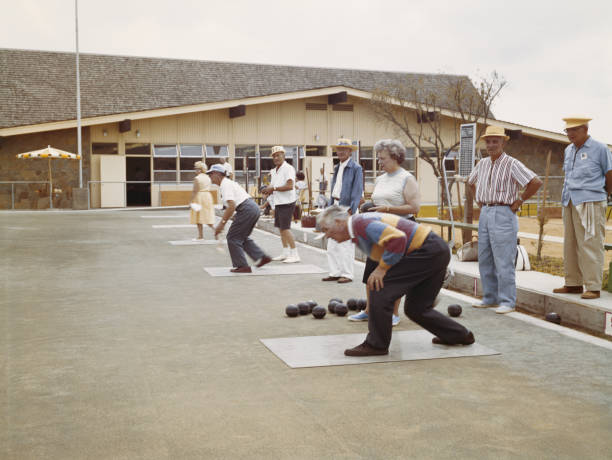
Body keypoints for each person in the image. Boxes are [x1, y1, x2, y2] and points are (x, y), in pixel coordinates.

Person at [317, 205, 475, 356]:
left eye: (327, 230)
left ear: (339, 222)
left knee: (378, 287)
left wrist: (382, 269)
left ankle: (376, 345)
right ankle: (460, 335)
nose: (328, 236)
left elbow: (398, 239)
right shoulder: (357, 228)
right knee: (416, 309)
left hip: (427, 250)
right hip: (434, 250)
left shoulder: (361, 224)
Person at [468, 125, 542, 314]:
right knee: (484, 258)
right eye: (488, 141)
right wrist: (479, 200)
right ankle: (490, 297)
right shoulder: (482, 163)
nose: (491, 145)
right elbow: (470, 182)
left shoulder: (512, 163)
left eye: (495, 141)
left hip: (503, 212)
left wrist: (520, 200)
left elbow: (535, 182)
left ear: (503, 142)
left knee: (503, 259)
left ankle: (507, 301)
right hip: (485, 211)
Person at [349, 139, 421, 326]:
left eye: (383, 159)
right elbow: (376, 202)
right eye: (378, 158)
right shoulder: (380, 178)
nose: (379, 162)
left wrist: (387, 209)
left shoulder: (407, 178)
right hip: (378, 229)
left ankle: (393, 313)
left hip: (400, 230)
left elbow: (414, 207)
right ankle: (369, 310)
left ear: (396, 157)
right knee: (371, 270)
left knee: (393, 273)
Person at [553, 117, 612, 299]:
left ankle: (593, 286)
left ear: (585, 129)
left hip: (590, 201)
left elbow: (609, 173)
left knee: (590, 243)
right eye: (567, 131)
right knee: (570, 244)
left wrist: (607, 196)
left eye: (574, 130)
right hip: (569, 200)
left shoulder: (600, 148)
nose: (570, 134)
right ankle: (573, 283)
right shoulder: (568, 150)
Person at [208, 164, 271, 273]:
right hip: (252, 208)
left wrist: (221, 224)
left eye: (211, 174)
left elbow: (231, 206)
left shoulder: (225, 185)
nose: (210, 177)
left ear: (218, 174)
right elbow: (235, 204)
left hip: (247, 209)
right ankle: (261, 256)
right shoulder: (228, 183)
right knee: (241, 236)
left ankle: (242, 266)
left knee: (232, 237)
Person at [321, 138, 363, 284]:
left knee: (345, 244)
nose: (341, 152)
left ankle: (347, 274)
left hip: (347, 207)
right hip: (335, 206)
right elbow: (334, 188)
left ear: (350, 151)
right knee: (332, 242)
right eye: (339, 149)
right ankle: (335, 272)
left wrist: (352, 209)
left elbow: (357, 191)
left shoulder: (356, 168)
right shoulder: (338, 167)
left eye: (344, 149)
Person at [263, 146, 300, 263]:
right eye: (274, 156)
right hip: (278, 202)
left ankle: (295, 254)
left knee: (285, 228)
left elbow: (290, 186)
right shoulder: (274, 171)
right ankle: (285, 252)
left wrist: (273, 188)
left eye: (278, 155)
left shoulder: (288, 168)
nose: (276, 158)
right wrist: (268, 196)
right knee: (280, 228)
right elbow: (272, 188)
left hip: (287, 202)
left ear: (284, 156)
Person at [189, 161, 215, 240]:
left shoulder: (197, 178)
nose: (195, 170)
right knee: (207, 216)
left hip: (199, 197)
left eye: (196, 168)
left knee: (198, 217)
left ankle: (200, 236)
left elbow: (195, 190)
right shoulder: (208, 177)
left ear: (200, 170)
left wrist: (190, 201)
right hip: (207, 196)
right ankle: (216, 230)